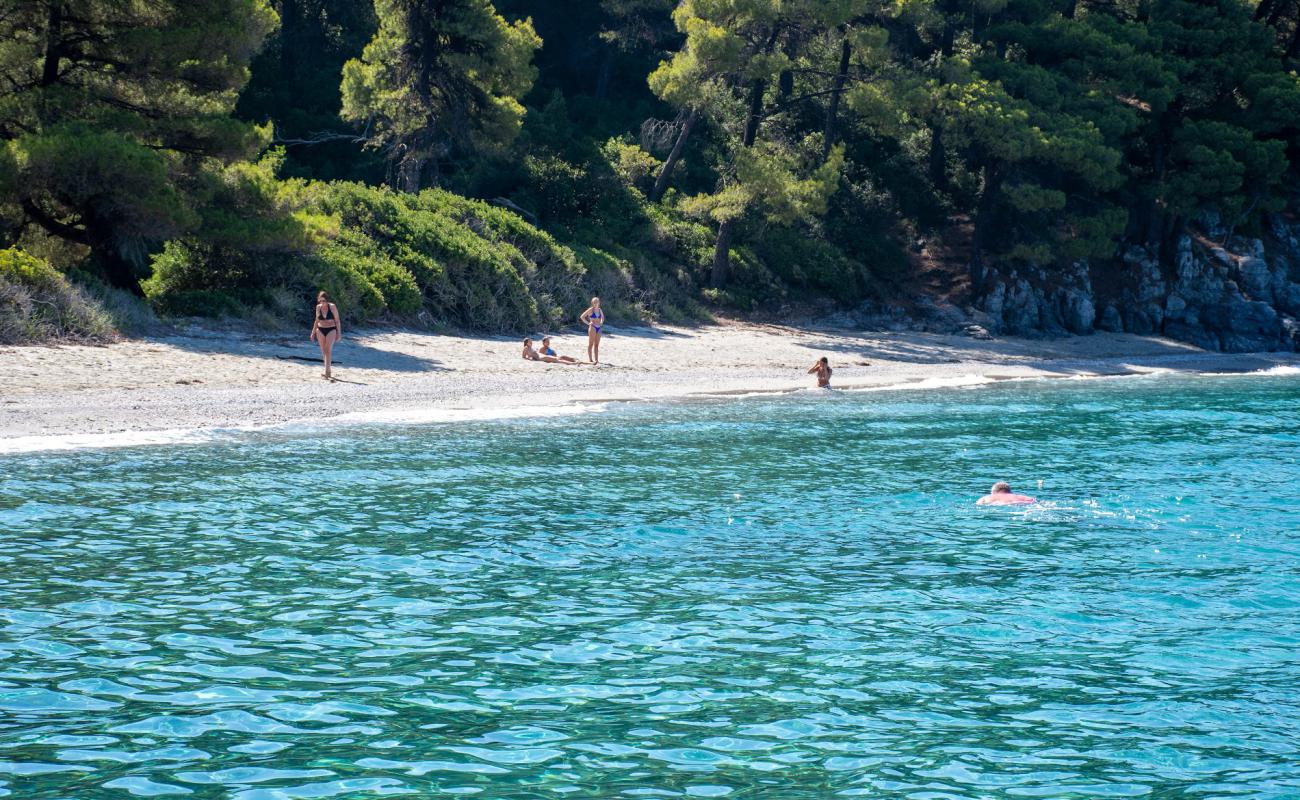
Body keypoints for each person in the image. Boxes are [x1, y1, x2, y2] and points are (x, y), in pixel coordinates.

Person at [310, 290, 341, 380]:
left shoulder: (332, 307)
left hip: (331, 329)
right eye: (320, 301)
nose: (322, 303)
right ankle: (327, 370)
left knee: (328, 349)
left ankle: (327, 372)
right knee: (323, 350)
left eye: (324, 301)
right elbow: (316, 320)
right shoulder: (318, 307)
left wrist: (339, 334)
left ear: (327, 300)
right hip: (320, 329)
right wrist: (313, 332)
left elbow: (337, 321)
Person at [579, 297, 604, 364]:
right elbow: (582, 317)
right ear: (592, 303)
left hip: (599, 328)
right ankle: (590, 359)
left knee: (596, 345)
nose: (596, 303)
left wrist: (601, 322)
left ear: (599, 302)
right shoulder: (590, 310)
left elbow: (602, 318)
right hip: (592, 327)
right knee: (591, 344)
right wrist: (588, 323)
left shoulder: (599, 310)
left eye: (597, 302)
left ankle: (596, 360)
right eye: (595, 302)